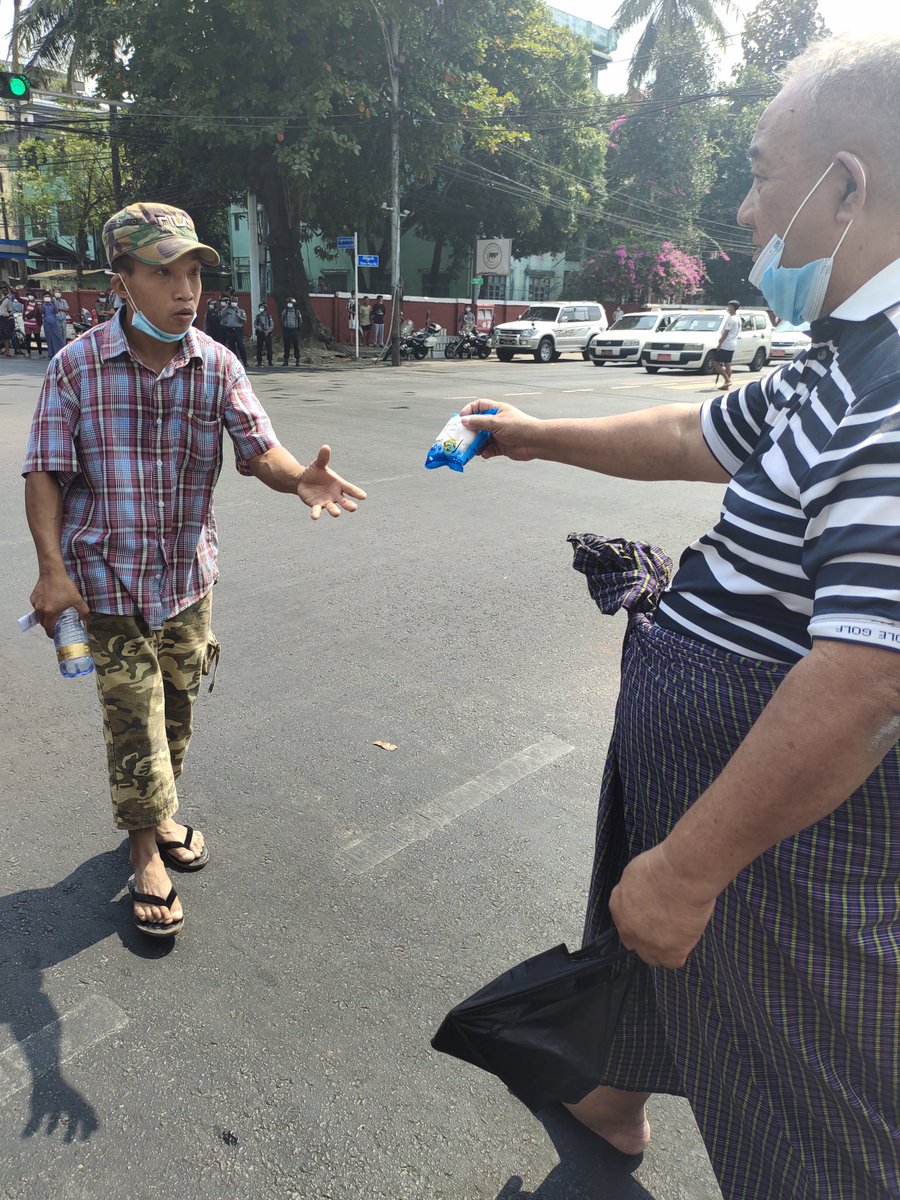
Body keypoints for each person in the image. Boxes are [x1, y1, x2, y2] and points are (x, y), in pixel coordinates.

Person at [459, 35, 900, 1200]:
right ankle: (612, 1103)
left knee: (812, 1112)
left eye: (760, 176)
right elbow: (693, 432)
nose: (745, 210)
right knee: (650, 948)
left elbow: (870, 680)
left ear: (844, 188)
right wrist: (531, 434)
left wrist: (695, 865)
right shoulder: (838, 362)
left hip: (776, 836)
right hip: (713, 782)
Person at [22, 202, 367, 940]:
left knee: (176, 714)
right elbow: (45, 471)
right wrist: (51, 570)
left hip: (186, 581)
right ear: (121, 280)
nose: (186, 292)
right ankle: (144, 851)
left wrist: (298, 478)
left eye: (193, 274)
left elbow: (259, 449)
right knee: (133, 721)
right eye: (164, 274)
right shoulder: (75, 366)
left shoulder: (218, 364)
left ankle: (160, 810)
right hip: (105, 581)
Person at [713, 299, 741, 388]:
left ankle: (727, 380)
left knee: (716, 363)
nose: (728, 308)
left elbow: (726, 333)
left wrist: (719, 343)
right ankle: (726, 384)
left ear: (733, 307)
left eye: (729, 306)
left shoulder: (731, 319)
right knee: (727, 364)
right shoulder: (737, 318)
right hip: (732, 344)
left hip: (726, 344)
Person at [218, 294, 248, 366]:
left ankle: (245, 361)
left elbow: (244, 320)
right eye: (232, 302)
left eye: (235, 302)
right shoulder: (227, 310)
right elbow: (221, 315)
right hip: (229, 330)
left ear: (237, 302)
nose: (234, 303)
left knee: (240, 346)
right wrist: (226, 307)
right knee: (231, 347)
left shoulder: (241, 310)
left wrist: (238, 316)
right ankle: (234, 362)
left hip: (238, 330)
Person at [41, 291, 65, 359]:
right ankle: (50, 353)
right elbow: (41, 312)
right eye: (45, 297)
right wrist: (42, 304)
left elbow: (56, 311)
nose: (47, 298)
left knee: (57, 337)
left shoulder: (53, 304)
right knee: (49, 338)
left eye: (48, 296)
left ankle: (60, 352)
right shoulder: (43, 305)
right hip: (46, 322)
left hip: (54, 322)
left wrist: (53, 303)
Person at [280, 297, 301, 365]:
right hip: (287, 330)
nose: (289, 304)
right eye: (288, 303)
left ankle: (297, 360)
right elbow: (282, 319)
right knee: (286, 346)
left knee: (296, 345)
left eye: (291, 303)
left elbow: (300, 321)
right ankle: (286, 360)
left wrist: (296, 326)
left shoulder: (297, 312)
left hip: (294, 330)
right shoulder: (285, 311)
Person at [22, 291, 43, 357]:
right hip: (27, 324)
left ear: (34, 297)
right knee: (28, 339)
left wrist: (40, 324)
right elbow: (19, 299)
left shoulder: (38, 305)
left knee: (38, 339)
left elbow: (40, 314)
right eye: (29, 295)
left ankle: (40, 354)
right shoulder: (26, 303)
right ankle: (28, 353)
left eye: (31, 295)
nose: (30, 296)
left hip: (36, 324)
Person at [254, 301, 274, 366]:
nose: (261, 309)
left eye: (262, 307)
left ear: (265, 308)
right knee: (259, 347)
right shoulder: (258, 316)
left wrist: (268, 331)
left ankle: (270, 361)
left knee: (269, 347)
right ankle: (259, 361)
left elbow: (272, 325)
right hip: (260, 333)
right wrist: (259, 328)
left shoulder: (268, 316)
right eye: (260, 307)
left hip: (267, 333)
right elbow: (255, 324)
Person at [0, 287, 15, 357]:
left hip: (5, 318)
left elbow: (10, 310)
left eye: (4, 291)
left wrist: (11, 317)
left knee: (6, 336)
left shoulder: (7, 300)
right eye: (2, 290)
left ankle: (7, 352)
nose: (3, 292)